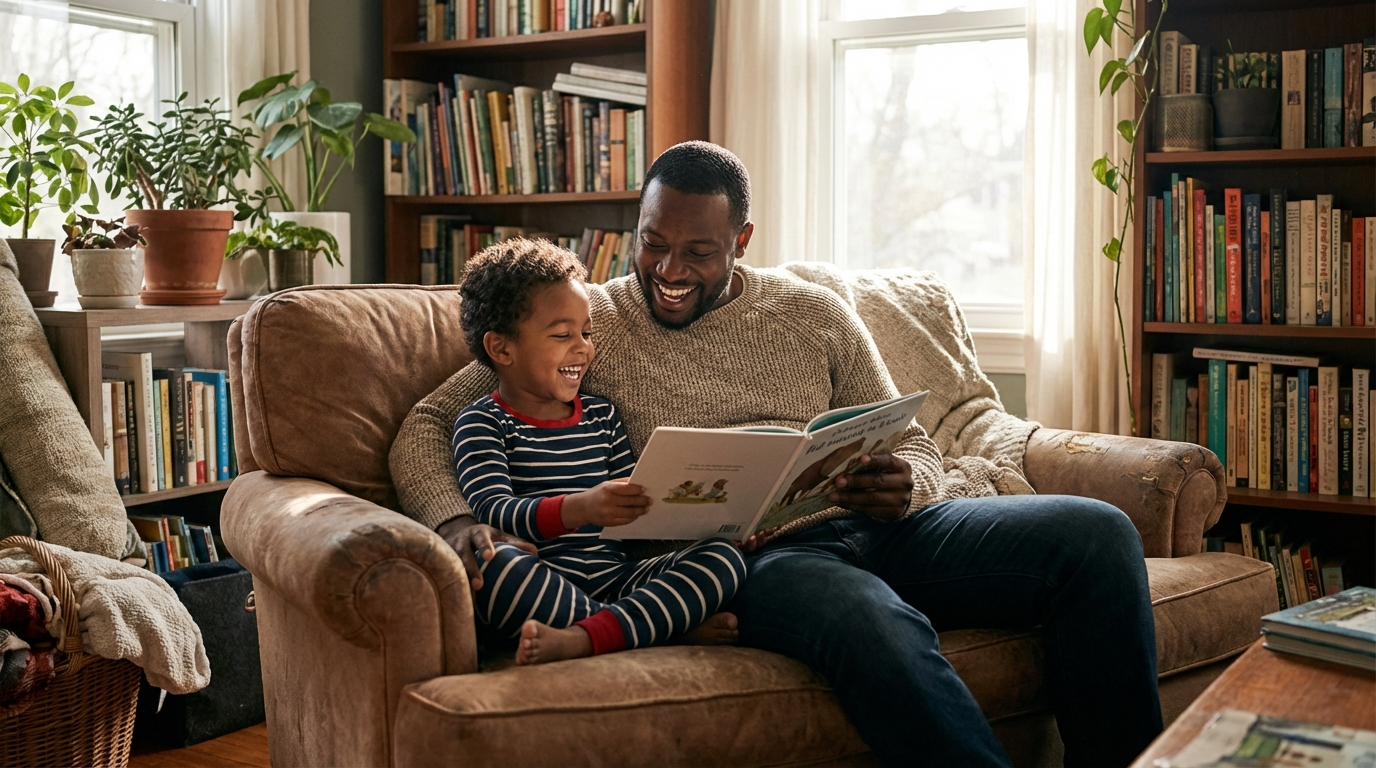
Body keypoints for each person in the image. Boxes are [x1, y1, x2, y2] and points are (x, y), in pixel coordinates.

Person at [391, 141, 1162, 766]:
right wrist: (455, 519)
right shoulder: (587, 323)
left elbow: (915, 440)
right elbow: (430, 419)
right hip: (759, 563)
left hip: (885, 528)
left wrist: (909, 484)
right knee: (873, 622)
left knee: (1096, 535)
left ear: (742, 241)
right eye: (652, 244)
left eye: (697, 252)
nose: (667, 271)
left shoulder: (812, 313)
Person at [451, 239, 747, 665]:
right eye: (562, 335)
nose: (583, 347)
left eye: (586, 332)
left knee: (722, 558)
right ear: (501, 349)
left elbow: (640, 503)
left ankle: (589, 634)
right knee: (495, 569)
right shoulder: (483, 422)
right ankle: (646, 633)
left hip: (616, 579)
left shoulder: (602, 415)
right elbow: (494, 509)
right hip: (542, 580)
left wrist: (721, 513)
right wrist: (579, 509)